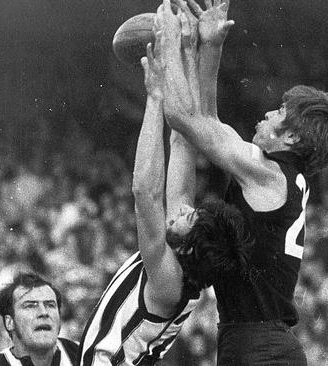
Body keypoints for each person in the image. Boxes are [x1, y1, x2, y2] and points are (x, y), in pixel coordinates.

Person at [154, 0, 328, 364]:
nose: (268, 113)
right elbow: (205, 119)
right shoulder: (279, 176)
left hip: (257, 347)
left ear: (293, 138)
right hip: (259, 343)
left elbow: (181, 116)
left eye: (280, 113)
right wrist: (209, 48)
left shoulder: (266, 172)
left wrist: (170, 40)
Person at [77, 8, 251, 365]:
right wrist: (191, 53)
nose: (186, 207)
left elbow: (144, 191)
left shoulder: (168, 280)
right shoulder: (183, 261)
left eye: (190, 216)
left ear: (189, 247)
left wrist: (155, 97)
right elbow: (185, 137)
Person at [0, 272, 79, 366]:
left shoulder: (85, 354)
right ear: (9, 322)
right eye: (30, 306)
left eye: (50, 305)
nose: (44, 313)